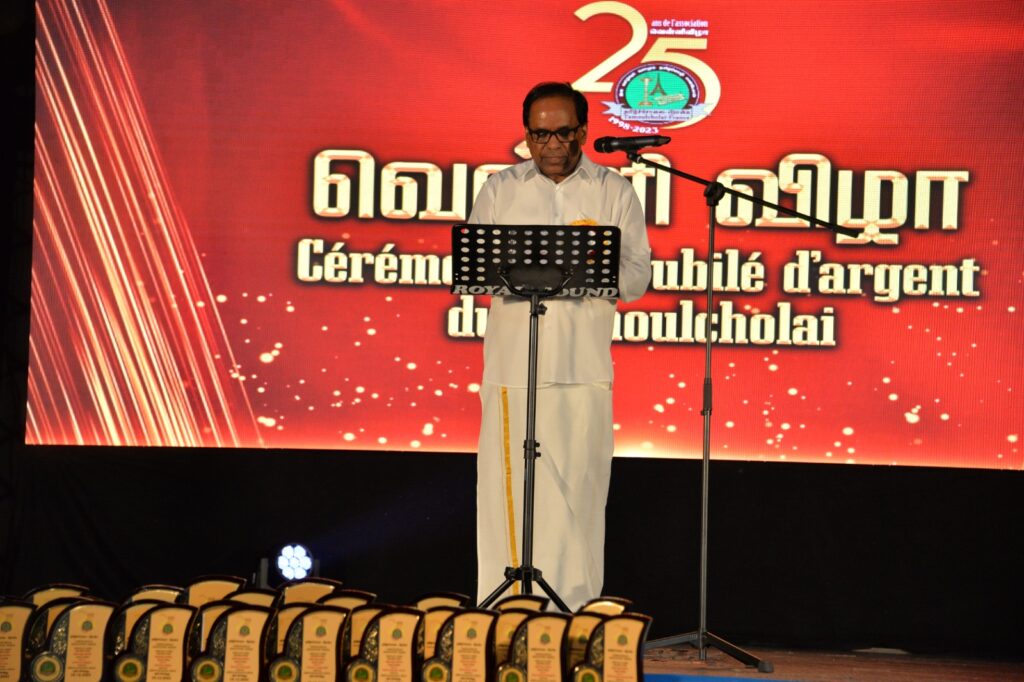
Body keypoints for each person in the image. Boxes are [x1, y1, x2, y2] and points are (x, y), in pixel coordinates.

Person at [468, 82, 651, 610]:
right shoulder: (500, 189)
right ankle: (504, 612)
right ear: (526, 135)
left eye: (563, 133)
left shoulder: (613, 191)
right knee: (506, 494)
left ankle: (572, 612)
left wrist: (588, 267)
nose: (551, 145)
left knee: (579, 493)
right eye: (539, 134)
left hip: (582, 369)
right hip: (512, 369)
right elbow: (475, 272)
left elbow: (636, 278)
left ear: (583, 132)